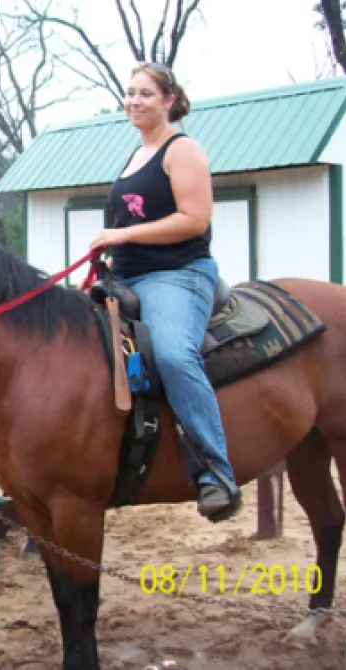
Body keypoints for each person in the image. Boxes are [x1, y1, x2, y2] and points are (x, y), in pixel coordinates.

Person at [88, 62, 240, 522]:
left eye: (145, 94)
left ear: (169, 100)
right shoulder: (135, 154)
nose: (134, 101)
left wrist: (122, 236)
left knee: (174, 355)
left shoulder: (183, 150)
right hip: (125, 276)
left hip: (177, 274)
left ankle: (216, 471)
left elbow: (194, 219)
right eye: (130, 93)